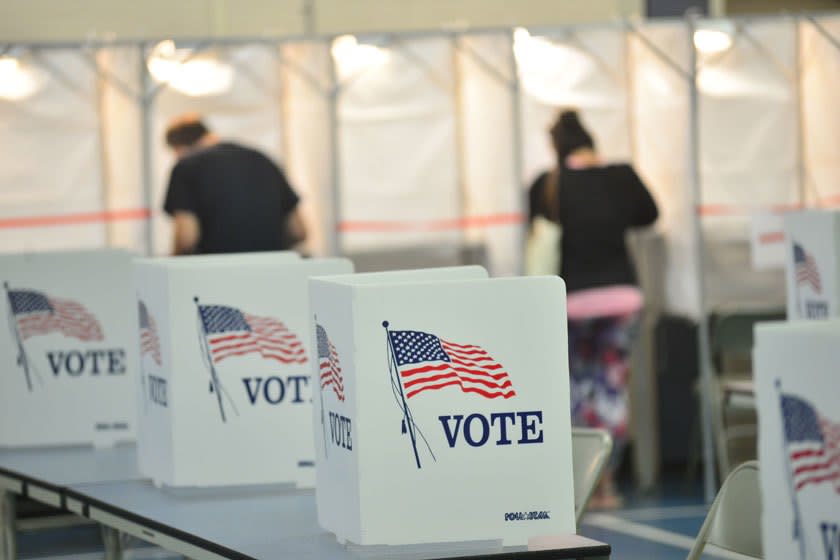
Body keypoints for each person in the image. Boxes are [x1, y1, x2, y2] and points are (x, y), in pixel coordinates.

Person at [528, 110, 658, 509]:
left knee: (573, 391)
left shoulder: (547, 185)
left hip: (570, 304)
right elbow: (650, 215)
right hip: (620, 300)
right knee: (611, 389)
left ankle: (579, 485)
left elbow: (536, 233)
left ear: (556, 147)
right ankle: (607, 483)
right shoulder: (621, 177)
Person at [162, 114, 306, 255]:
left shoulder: (185, 167)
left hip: (215, 271)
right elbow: (299, 231)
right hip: (273, 270)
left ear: (178, 149)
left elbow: (186, 239)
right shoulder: (263, 160)